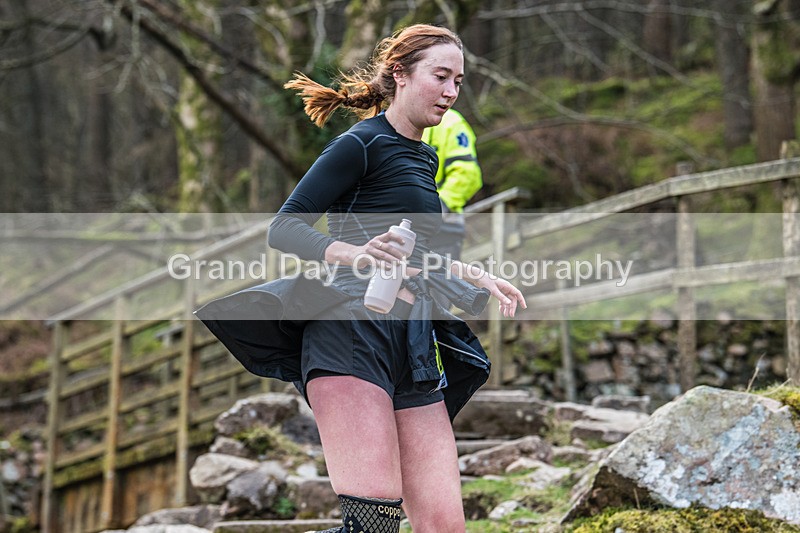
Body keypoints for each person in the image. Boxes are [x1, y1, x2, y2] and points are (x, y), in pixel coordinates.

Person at [196, 24, 526, 533]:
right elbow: (285, 227)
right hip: (349, 333)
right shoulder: (361, 144)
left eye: (458, 81)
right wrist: (355, 254)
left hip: (413, 341)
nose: (451, 92)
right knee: (372, 525)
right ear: (400, 73)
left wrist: (478, 276)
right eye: (441, 76)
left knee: (445, 528)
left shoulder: (424, 156)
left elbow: (419, 254)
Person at [423, 108, 482, 262]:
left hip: (443, 232)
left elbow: (467, 173)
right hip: (402, 231)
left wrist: (437, 207)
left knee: (437, 284)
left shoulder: (451, 122)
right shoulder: (394, 123)